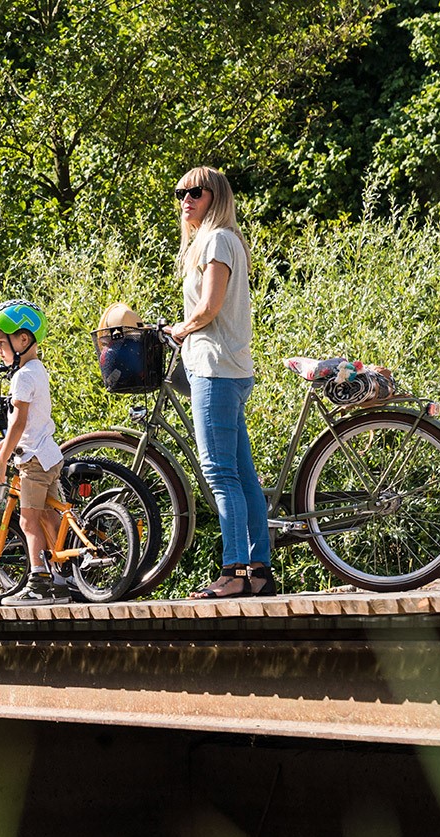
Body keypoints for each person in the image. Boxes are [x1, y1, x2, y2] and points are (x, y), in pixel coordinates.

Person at [164, 166, 274, 598]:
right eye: (180, 192)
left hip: (214, 368)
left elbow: (209, 307)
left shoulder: (217, 239)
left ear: (217, 197)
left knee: (219, 473)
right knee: (243, 477)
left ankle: (232, 572)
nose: (186, 199)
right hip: (228, 368)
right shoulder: (218, 242)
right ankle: (259, 571)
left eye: (197, 192)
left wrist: (180, 327)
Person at [0, 298, 71, 606]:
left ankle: (38, 582)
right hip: (48, 455)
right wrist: (2, 447)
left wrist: (2, 461)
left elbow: (18, 423)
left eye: (1, 343)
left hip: (33, 460)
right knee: (47, 515)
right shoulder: (36, 369)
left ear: (23, 338)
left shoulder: (22, 376)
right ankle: (62, 578)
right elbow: (28, 425)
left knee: (28, 520)